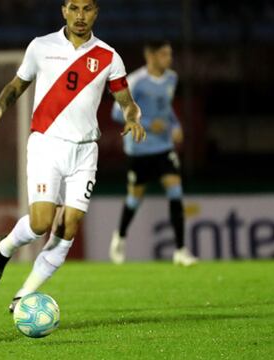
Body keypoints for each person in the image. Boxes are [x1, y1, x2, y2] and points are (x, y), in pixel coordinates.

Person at [0, 0, 146, 312]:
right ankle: (3, 249)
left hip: (85, 151)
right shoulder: (41, 47)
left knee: (68, 227)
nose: (80, 16)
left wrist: (132, 117)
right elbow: (17, 85)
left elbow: (126, 100)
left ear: (96, 12)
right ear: (63, 11)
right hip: (47, 145)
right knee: (41, 223)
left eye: (87, 9)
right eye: (74, 8)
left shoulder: (108, 56)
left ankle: (23, 295)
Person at [109, 40, 198, 266]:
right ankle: (119, 236)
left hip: (164, 148)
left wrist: (176, 125)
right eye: (164, 55)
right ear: (150, 56)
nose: (169, 59)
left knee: (175, 190)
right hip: (140, 149)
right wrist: (147, 124)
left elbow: (166, 109)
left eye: (170, 54)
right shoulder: (136, 82)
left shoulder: (172, 78)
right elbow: (117, 113)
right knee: (134, 198)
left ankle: (180, 250)